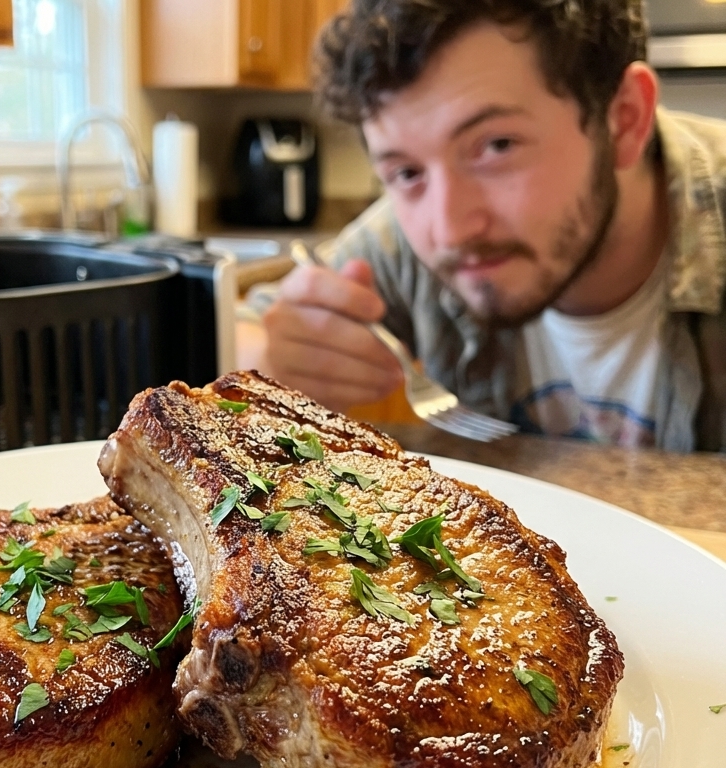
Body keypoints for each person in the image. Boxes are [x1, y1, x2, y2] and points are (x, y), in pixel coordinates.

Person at [249, 0, 726, 452]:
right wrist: (278, 360)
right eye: (407, 172)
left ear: (624, 120)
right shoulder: (402, 241)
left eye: (497, 145)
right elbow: (247, 331)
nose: (451, 230)